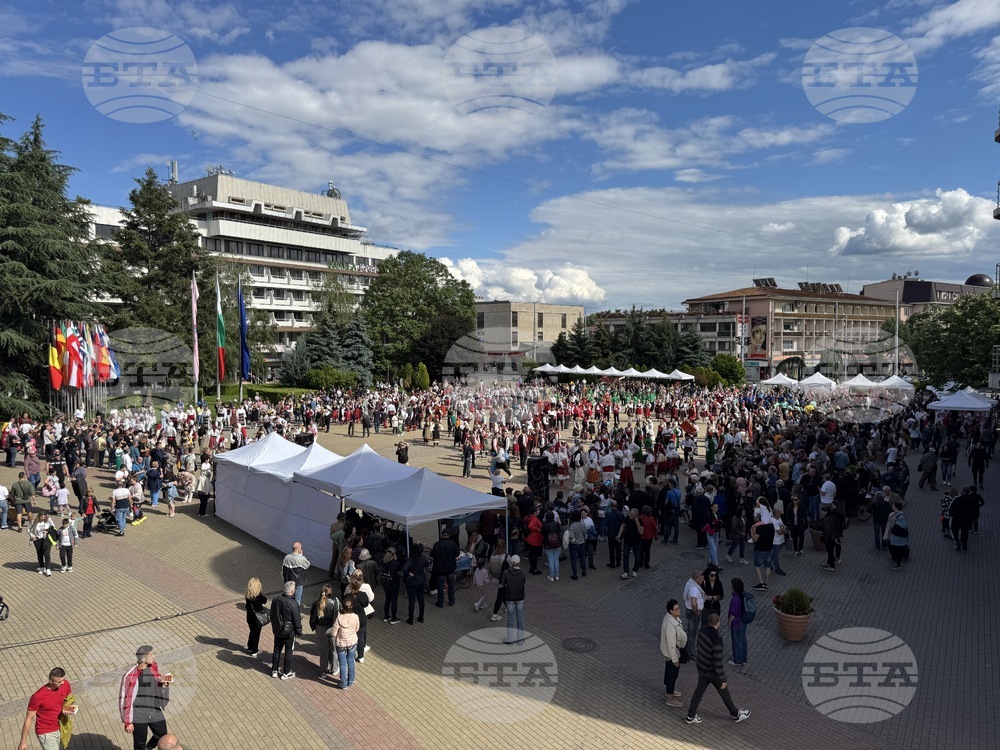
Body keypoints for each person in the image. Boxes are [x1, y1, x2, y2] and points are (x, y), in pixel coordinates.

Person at [685, 613, 751, 725]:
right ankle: (735, 715)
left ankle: (690, 716)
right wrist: (723, 678)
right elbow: (718, 660)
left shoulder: (702, 631)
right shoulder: (717, 639)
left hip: (702, 669)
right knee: (724, 693)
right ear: (717, 623)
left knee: (698, 692)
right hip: (713, 672)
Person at [119, 645, 173, 750]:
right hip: (138, 713)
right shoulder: (130, 676)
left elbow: (157, 679)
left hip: (154, 708)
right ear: (143, 659)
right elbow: (124, 698)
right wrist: (127, 722)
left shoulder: (153, 666)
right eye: (151, 655)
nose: (154, 657)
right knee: (139, 744)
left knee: (162, 734)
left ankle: (148, 748)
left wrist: (163, 684)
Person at [17, 667, 71, 750]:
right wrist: (23, 742)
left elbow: (68, 699)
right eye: (59, 681)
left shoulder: (65, 684)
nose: (62, 683)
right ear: (50, 681)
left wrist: (67, 708)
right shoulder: (38, 697)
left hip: (61, 726)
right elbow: (29, 718)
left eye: (63, 679)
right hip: (46, 731)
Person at [269, 581, 302, 679]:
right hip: (289, 632)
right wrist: (299, 632)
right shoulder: (293, 603)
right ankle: (286, 672)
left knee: (276, 650)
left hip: (278, 630)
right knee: (288, 652)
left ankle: (274, 670)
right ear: (292, 591)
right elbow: (297, 619)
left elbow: (272, 614)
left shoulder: (275, 599)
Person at [309, 584, 341, 678]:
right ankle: (334, 668)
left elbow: (313, 618)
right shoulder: (334, 602)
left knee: (323, 651)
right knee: (333, 649)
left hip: (321, 629)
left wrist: (313, 626)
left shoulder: (316, 603)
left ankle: (323, 671)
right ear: (330, 592)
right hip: (332, 628)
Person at [660, 599, 687, 708]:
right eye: (677, 609)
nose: (679, 610)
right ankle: (670, 698)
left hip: (673, 652)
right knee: (672, 674)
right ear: (671, 611)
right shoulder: (670, 625)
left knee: (670, 673)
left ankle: (669, 690)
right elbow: (671, 644)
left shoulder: (672, 618)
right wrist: (675, 659)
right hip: (672, 653)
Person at [332, 596, 361, 689]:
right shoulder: (355, 617)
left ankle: (343, 683)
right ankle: (351, 681)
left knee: (342, 663)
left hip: (341, 644)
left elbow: (334, 632)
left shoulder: (339, 618)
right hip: (352, 642)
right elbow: (357, 628)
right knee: (351, 662)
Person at [347, 569, 375, 662]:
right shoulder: (365, 589)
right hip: (362, 615)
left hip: (351, 615)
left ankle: (352, 652)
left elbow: (345, 600)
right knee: (361, 634)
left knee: (353, 634)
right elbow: (370, 599)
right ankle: (361, 654)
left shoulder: (348, 589)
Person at [501, 554, 526, 644]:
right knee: (519, 617)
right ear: (519, 563)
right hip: (520, 597)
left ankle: (510, 638)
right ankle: (520, 639)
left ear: (511, 563)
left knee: (510, 617)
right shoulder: (523, 572)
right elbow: (523, 582)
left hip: (509, 597)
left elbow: (503, 583)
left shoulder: (506, 573)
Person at [431, 529, 460, 607]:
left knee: (440, 585)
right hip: (450, 568)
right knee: (451, 584)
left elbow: (432, 554)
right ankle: (452, 600)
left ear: (442, 534)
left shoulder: (437, 544)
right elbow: (457, 553)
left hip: (440, 568)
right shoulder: (452, 544)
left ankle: (440, 602)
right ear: (449, 535)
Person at [402, 543, 429, 624]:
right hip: (421, 581)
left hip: (412, 582)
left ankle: (410, 619)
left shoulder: (410, 560)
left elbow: (404, 569)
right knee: (421, 600)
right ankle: (421, 617)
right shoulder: (423, 558)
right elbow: (427, 564)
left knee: (412, 601)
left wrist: (408, 573)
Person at [682, 570, 705, 660]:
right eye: (702, 578)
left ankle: (687, 649)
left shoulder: (690, 583)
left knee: (690, 632)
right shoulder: (694, 589)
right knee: (693, 634)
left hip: (690, 611)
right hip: (694, 613)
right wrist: (697, 612)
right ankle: (692, 655)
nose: (703, 580)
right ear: (697, 578)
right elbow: (693, 603)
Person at [281, 542, 311, 607]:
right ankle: (296, 613)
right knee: (297, 599)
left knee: (288, 597)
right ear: (298, 550)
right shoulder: (300, 559)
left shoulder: (287, 557)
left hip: (288, 581)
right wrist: (301, 555)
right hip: (298, 582)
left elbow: (283, 569)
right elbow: (307, 565)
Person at [244, 577, 267, 657]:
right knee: (257, 633)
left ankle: (250, 646)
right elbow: (265, 600)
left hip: (250, 616)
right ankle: (254, 650)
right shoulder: (259, 596)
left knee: (252, 631)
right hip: (258, 617)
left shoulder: (247, 595)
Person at [750, 514, 774, 590]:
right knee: (768, 566)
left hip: (760, 549)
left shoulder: (760, 528)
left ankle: (761, 583)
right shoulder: (771, 526)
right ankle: (766, 583)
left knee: (757, 566)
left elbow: (754, 539)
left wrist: (752, 531)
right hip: (769, 549)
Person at [728, 578, 748, 666]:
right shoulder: (743, 595)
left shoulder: (736, 598)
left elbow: (733, 612)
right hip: (743, 621)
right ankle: (743, 659)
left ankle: (737, 660)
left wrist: (729, 621)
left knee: (736, 640)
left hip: (736, 622)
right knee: (743, 639)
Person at [619, 506, 643, 579]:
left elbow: (641, 531)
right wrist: (619, 534)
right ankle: (626, 571)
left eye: (632, 514)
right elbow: (622, 526)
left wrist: (637, 522)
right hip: (627, 541)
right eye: (630, 513)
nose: (630, 515)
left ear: (636, 515)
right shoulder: (627, 519)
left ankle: (635, 570)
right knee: (625, 556)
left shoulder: (640, 520)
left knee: (637, 557)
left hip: (636, 542)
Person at [29, 512, 55, 576]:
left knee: (47, 553)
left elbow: (53, 527)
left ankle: (48, 569)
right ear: (39, 517)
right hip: (38, 539)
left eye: (44, 517)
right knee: (40, 553)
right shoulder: (34, 522)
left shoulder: (49, 520)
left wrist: (48, 531)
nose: (43, 519)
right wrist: (32, 536)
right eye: (41, 517)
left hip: (47, 539)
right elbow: (28, 529)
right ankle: (42, 567)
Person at [380, 547, 403, 624]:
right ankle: (393, 618)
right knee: (394, 600)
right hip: (394, 583)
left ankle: (386, 616)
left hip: (386, 583)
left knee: (387, 599)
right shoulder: (396, 563)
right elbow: (400, 570)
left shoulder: (384, 562)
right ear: (394, 554)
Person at [884, 501, 909, 569]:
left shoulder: (901, 516)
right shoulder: (894, 514)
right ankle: (896, 562)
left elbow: (904, 525)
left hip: (898, 538)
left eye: (893, 505)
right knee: (894, 549)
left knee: (897, 551)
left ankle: (898, 564)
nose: (892, 506)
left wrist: (896, 522)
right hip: (894, 536)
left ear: (897, 507)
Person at [820, 504, 843, 571]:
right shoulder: (833, 517)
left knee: (830, 552)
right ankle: (828, 562)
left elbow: (828, 531)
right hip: (834, 538)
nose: (822, 513)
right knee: (830, 552)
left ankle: (831, 566)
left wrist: (825, 539)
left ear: (826, 512)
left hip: (830, 539)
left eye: (823, 512)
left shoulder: (826, 520)